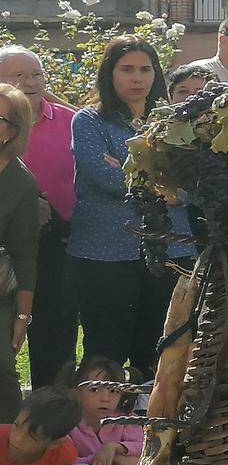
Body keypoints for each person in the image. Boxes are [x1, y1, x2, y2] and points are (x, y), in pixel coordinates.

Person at [70, 38, 189, 377]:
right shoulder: (89, 121)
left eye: (145, 69)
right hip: (103, 254)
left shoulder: (176, 122)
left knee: (159, 352)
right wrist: (164, 183)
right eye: (127, 69)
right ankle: (97, 428)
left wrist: (124, 164)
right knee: (103, 352)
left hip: (171, 249)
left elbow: (195, 183)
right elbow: (104, 178)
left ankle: (151, 428)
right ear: (109, 73)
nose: (137, 78)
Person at [0, 48, 78, 387]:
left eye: (35, 74)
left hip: (58, 244)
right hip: (7, 251)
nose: (29, 83)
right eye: (17, 76)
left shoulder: (72, 121)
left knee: (54, 336)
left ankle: (51, 419)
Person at [0, 80, 43, 422]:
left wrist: (22, 317)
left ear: (14, 131)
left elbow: (25, 252)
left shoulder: (20, 182)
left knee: (3, 378)